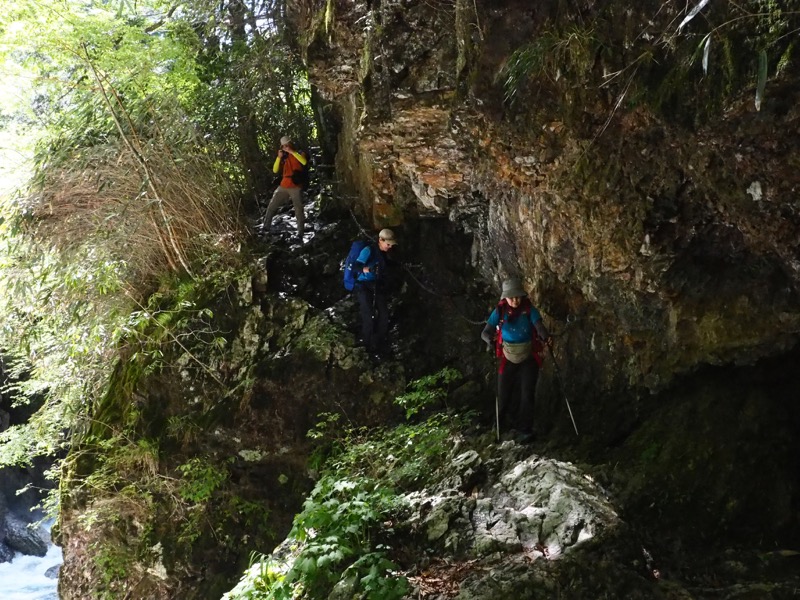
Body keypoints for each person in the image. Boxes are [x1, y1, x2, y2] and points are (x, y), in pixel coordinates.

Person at [481, 278, 553, 443]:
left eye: (518, 296)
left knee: (527, 394)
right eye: (511, 297)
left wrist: (545, 336)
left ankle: (525, 430)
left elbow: (539, 326)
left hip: (528, 357)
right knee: (503, 394)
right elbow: (485, 332)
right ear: (505, 298)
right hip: (508, 357)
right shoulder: (499, 312)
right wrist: (489, 340)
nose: (515, 300)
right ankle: (498, 427)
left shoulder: (529, 310)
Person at [354, 229, 398, 359]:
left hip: (376, 285)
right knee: (369, 315)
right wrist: (366, 269)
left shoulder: (383, 253)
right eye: (388, 244)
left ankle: (379, 341)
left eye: (391, 245)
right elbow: (356, 266)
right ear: (381, 240)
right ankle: (367, 346)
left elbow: (386, 264)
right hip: (363, 286)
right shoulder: (368, 250)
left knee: (384, 314)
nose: (389, 247)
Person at [263, 136, 308, 238]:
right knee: (272, 205)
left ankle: (300, 233)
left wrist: (292, 152)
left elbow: (304, 162)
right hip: (284, 185)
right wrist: (278, 157)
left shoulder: (299, 153)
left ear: (291, 144)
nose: (286, 147)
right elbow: (275, 170)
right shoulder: (283, 156)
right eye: (284, 146)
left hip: (296, 185)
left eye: (287, 145)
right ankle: (266, 227)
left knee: (298, 209)